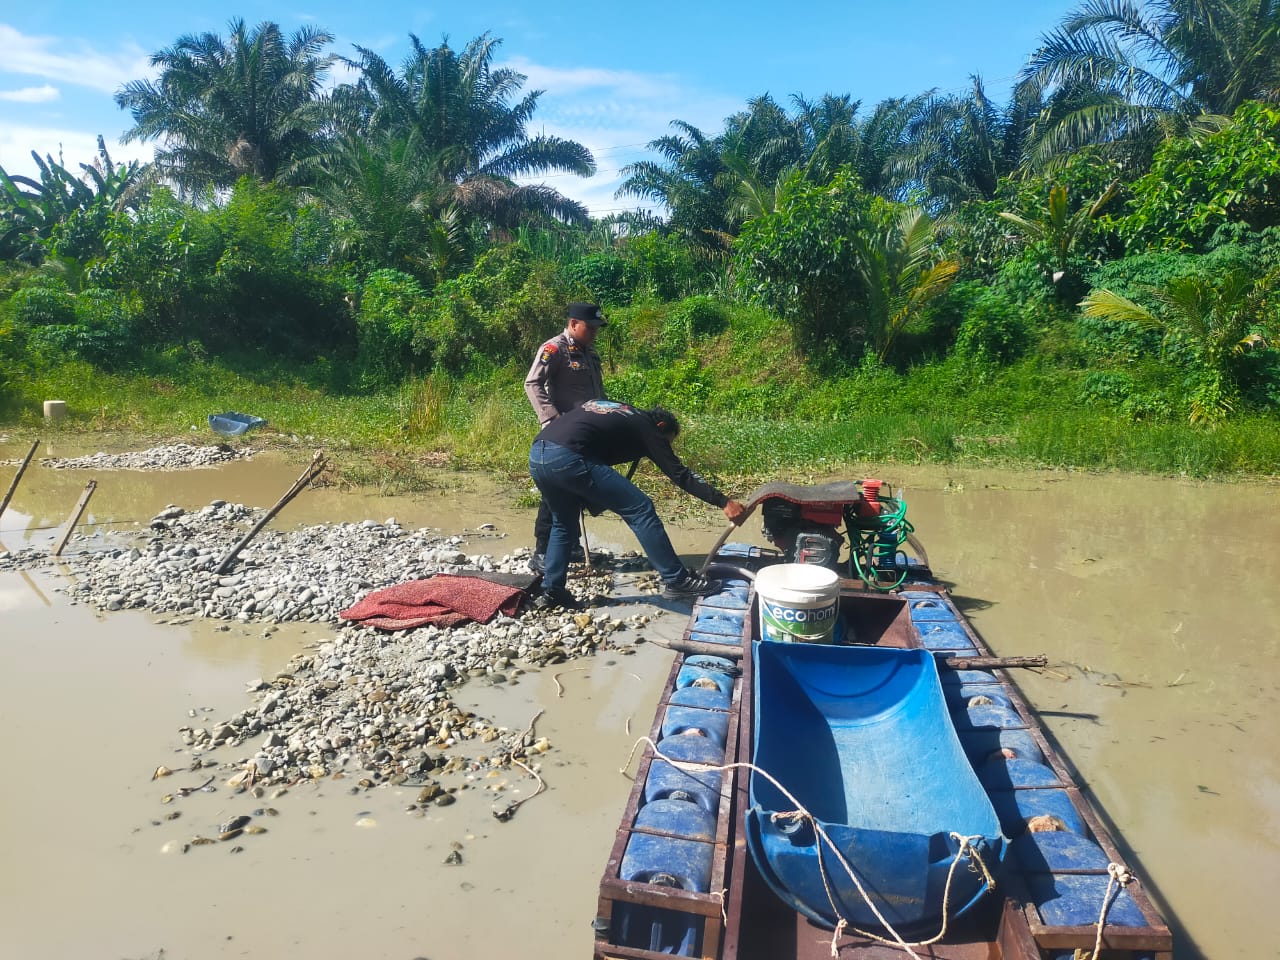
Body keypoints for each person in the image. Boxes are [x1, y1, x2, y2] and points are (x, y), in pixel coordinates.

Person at [528, 400, 747, 610]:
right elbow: (679, 473)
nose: (662, 449)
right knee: (640, 508)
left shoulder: (621, 411)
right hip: (568, 456)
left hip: (538, 454)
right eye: (666, 443)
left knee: (563, 523)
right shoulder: (647, 426)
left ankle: (553, 590)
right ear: (661, 426)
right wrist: (723, 501)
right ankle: (677, 580)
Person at [523, 301, 607, 572]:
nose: (594, 333)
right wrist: (551, 419)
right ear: (573, 324)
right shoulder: (554, 349)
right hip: (561, 435)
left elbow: (597, 393)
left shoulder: (589, 353)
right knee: (555, 490)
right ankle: (542, 550)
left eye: (596, 328)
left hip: (587, 432)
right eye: (590, 327)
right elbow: (532, 383)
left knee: (577, 487)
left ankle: (569, 544)